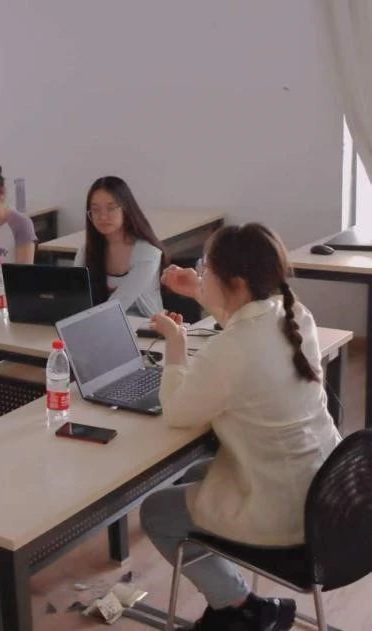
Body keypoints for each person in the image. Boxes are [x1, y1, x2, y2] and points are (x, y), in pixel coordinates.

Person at [140, 223, 340, 631]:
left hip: (287, 518)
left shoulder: (230, 350)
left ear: (235, 283)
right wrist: (198, 290)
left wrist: (176, 343)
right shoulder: (294, 313)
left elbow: (177, 412)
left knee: (156, 511)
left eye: (206, 269)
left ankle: (241, 605)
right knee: (198, 474)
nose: (201, 274)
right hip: (330, 500)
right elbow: (244, 321)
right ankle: (237, 604)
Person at [73, 176, 165, 316]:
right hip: (101, 322)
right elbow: (76, 296)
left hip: (146, 326)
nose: (103, 217)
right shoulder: (86, 251)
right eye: (96, 210)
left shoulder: (148, 253)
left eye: (111, 208)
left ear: (126, 209)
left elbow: (119, 303)